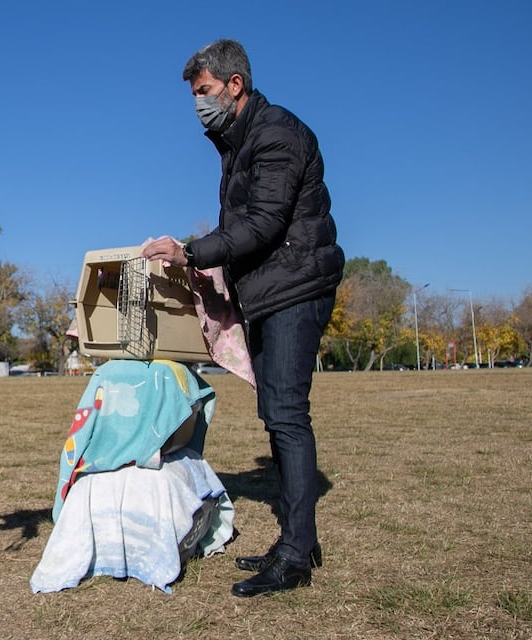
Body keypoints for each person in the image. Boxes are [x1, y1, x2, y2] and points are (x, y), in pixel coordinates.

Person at [142, 38, 345, 597]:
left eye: (203, 92)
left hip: (296, 287)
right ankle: (297, 538)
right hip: (272, 290)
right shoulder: (239, 141)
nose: (198, 105)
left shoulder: (275, 132)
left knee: (285, 414)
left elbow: (264, 222)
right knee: (275, 412)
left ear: (235, 85)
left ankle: (297, 555)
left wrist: (192, 251)